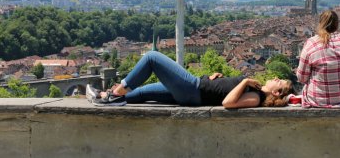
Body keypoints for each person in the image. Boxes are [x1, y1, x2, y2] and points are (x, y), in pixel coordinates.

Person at [86, 51, 293, 108]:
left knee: (151, 58)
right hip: (195, 90)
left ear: (276, 92)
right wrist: (215, 78)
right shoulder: (255, 89)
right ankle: (107, 97)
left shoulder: (256, 97)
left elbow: (227, 103)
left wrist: (244, 82)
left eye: (279, 81)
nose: (275, 77)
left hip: (193, 89)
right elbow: (224, 91)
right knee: (142, 93)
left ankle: (113, 95)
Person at [296, 10, 340, 108]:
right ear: (337, 24)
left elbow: (301, 78)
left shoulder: (311, 44)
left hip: (319, 101)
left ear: (320, 24)